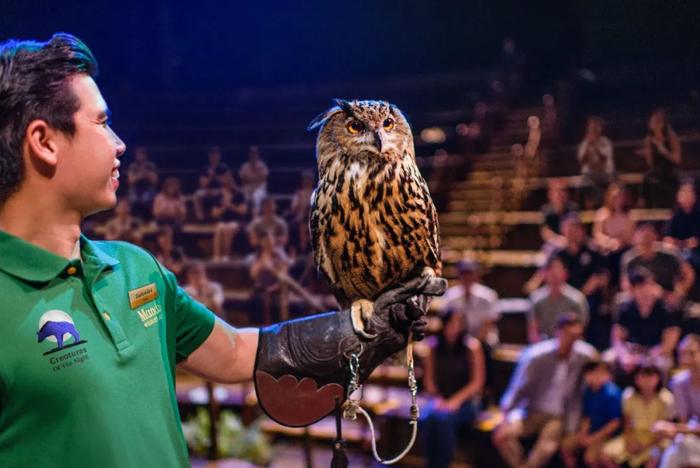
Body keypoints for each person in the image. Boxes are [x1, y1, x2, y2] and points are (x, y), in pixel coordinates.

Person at [0, 33, 440, 467]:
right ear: (44, 142)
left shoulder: (137, 270)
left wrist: (355, 331)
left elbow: (233, 353)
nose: (119, 142)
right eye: (101, 122)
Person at [492, 314, 597, 468]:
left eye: (576, 336)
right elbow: (517, 388)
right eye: (569, 335)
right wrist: (505, 415)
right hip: (530, 411)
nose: (572, 341)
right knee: (502, 435)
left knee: (547, 447)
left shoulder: (584, 356)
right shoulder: (537, 356)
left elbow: (599, 371)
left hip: (558, 416)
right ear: (558, 332)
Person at [420, 310, 486, 468]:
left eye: (459, 324)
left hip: (467, 402)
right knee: (427, 417)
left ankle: (442, 464)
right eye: (451, 324)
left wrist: (455, 401)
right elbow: (429, 381)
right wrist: (438, 399)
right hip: (440, 399)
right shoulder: (433, 346)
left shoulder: (472, 347)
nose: (455, 328)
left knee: (444, 419)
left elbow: (477, 382)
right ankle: (429, 463)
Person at [609, 268, 681, 387]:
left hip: (656, 352)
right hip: (633, 351)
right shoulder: (626, 309)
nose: (645, 291)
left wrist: (647, 357)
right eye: (640, 287)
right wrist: (624, 356)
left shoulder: (665, 309)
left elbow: (669, 343)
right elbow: (617, 338)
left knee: (663, 364)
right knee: (609, 359)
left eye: (648, 286)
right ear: (633, 290)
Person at [554, 213, 610, 349]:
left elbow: (601, 277)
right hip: (564, 297)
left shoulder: (592, 251)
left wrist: (580, 295)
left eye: (575, 228)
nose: (572, 233)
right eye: (569, 229)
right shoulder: (559, 254)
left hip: (589, 299)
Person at [601, 363, 674, 468]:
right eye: (643, 376)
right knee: (605, 455)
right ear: (636, 378)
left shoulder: (666, 398)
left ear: (658, 378)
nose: (647, 380)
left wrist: (644, 446)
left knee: (652, 462)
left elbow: (666, 430)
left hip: (657, 441)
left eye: (651, 376)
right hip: (635, 436)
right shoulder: (629, 395)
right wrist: (630, 441)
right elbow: (627, 422)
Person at [561, 360, 622, 468]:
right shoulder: (588, 391)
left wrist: (593, 438)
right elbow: (586, 417)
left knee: (590, 458)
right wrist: (583, 434)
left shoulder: (612, 393)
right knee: (566, 446)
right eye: (592, 373)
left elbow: (614, 423)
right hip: (591, 432)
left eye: (600, 372)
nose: (596, 376)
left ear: (608, 374)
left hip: (607, 435)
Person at [621, 222, 695, 310]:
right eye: (644, 238)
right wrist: (641, 297)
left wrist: (678, 293)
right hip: (640, 299)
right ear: (635, 239)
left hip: (667, 298)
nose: (646, 241)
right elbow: (625, 284)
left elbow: (689, 274)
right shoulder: (630, 259)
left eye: (649, 237)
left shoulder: (669, 255)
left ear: (655, 237)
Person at [654, 334, 700, 468]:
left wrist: (675, 429)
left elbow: (682, 428)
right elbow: (684, 421)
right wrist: (675, 430)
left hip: (692, 435)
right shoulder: (678, 382)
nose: (686, 358)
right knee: (673, 452)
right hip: (691, 437)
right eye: (682, 353)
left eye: (691, 353)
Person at [528, 255, 589, 342]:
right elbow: (533, 331)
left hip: (570, 345)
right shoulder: (536, 299)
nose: (554, 273)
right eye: (550, 269)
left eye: (558, 269)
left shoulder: (577, 299)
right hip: (544, 347)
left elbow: (580, 330)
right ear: (544, 274)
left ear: (565, 273)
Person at [440, 259, 500, 346]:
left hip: (484, 340)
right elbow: (447, 322)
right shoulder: (451, 296)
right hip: (459, 340)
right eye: (464, 275)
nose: (467, 278)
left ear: (476, 276)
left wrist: (474, 343)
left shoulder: (488, 296)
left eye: (470, 275)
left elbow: (488, 324)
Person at [593, 182, 636, 286]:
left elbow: (631, 237)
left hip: (624, 249)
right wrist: (610, 242)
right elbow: (598, 235)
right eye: (615, 197)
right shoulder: (601, 214)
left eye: (620, 197)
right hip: (607, 250)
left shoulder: (630, 216)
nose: (618, 200)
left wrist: (620, 242)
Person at [640, 109, 682, 208]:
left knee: (658, 179)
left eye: (653, 122)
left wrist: (664, 152)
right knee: (648, 178)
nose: (650, 124)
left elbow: (677, 159)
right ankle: (646, 206)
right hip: (657, 170)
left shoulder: (671, 137)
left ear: (661, 124)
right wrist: (648, 152)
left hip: (670, 169)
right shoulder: (649, 139)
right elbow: (650, 163)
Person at [248, 233, 293, 323]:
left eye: (270, 243)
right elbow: (253, 274)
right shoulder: (259, 256)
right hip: (263, 287)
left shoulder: (279, 254)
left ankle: (283, 323)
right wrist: (261, 264)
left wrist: (272, 268)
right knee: (254, 300)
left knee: (281, 296)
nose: (268, 245)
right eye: (266, 243)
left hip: (279, 287)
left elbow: (284, 272)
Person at [663, 178, 700, 275]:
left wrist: (680, 243)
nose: (686, 196)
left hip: (695, 252)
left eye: (689, 193)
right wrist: (683, 244)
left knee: (690, 258)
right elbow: (668, 238)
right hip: (678, 251)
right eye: (683, 193)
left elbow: (695, 242)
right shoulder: (674, 215)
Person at [577, 116, 615, 209]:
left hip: (604, 173)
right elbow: (581, 162)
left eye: (595, 126)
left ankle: (600, 206)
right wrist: (588, 147)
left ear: (600, 128)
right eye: (591, 126)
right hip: (589, 175)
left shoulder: (606, 142)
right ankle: (587, 208)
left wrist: (595, 147)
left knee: (601, 186)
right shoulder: (584, 143)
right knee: (583, 184)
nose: (592, 129)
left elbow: (603, 160)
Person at [211, 173, 247, 261]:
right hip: (223, 221)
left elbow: (243, 210)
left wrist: (230, 205)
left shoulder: (239, 195)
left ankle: (226, 255)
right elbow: (214, 213)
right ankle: (217, 255)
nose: (228, 185)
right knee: (219, 228)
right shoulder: (219, 196)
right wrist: (224, 207)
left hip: (236, 221)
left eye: (230, 183)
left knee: (229, 228)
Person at [539, 178, 579, 249]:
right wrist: (559, 240)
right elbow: (545, 232)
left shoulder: (573, 208)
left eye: (563, 191)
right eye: (557, 191)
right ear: (550, 194)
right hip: (553, 244)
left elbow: (576, 230)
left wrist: (567, 241)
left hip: (571, 244)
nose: (561, 194)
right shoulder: (546, 210)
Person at [126, 146, 158, 220]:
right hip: (135, 188)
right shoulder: (133, 166)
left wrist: (146, 173)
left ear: (146, 155)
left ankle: (147, 219)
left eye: (142, 154)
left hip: (148, 187)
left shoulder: (151, 166)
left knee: (146, 199)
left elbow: (155, 181)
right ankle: (135, 219)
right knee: (133, 199)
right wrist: (140, 175)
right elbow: (130, 181)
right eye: (139, 154)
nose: (140, 156)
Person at [287, 170, 315, 255]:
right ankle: (303, 250)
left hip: (313, 216)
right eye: (305, 179)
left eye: (308, 179)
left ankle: (310, 249)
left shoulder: (316, 192)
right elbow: (293, 208)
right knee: (301, 223)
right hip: (300, 217)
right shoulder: (298, 194)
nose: (306, 181)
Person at [239, 145, 269, 216]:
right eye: (252, 153)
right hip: (248, 188)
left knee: (256, 197)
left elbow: (264, 179)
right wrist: (256, 178)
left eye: (255, 153)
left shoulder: (262, 165)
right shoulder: (244, 166)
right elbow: (244, 180)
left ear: (258, 154)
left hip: (260, 188)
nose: (253, 155)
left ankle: (255, 217)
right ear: (249, 154)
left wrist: (252, 179)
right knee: (242, 197)